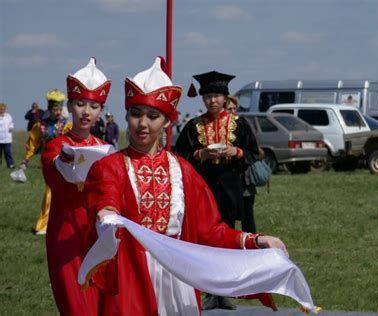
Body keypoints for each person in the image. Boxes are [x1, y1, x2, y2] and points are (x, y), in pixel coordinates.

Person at [82, 57, 286, 315]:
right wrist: (107, 213)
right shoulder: (110, 165)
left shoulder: (183, 171)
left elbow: (210, 232)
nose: (142, 124)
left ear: (167, 122)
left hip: (178, 280)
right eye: (135, 114)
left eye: (153, 116)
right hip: (130, 277)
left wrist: (256, 240)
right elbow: (105, 196)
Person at [175, 71, 260, 310]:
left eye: (216, 96)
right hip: (203, 188)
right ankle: (209, 291)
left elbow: (254, 153)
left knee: (227, 236)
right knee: (204, 239)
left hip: (231, 186)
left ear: (225, 98)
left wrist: (237, 152)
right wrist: (200, 154)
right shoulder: (193, 126)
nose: (212, 101)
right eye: (208, 97)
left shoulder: (240, 125)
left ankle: (225, 290)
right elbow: (179, 155)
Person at [41, 57, 112, 315]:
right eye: (80, 104)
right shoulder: (54, 147)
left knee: (102, 304)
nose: (86, 111)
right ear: (70, 105)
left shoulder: (106, 149)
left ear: (100, 111)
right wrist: (67, 159)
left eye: (93, 106)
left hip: (98, 235)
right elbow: (59, 172)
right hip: (66, 236)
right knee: (76, 305)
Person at [20, 89, 71, 235]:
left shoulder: (67, 125)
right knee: (50, 192)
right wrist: (25, 160)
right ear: (49, 109)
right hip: (49, 163)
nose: (58, 112)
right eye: (55, 109)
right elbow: (33, 144)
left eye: (60, 109)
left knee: (65, 193)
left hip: (65, 162)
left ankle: (62, 224)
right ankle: (42, 225)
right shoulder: (40, 126)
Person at [224, 95, 259, 233]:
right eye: (228, 109)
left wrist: (237, 152)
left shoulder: (243, 125)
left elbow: (253, 152)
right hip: (225, 182)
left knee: (248, 217)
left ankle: (252, 248)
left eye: (234, 109)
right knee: (227, 218)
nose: (232, 112)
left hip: (244, 178)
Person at [0, 103, 15, 169]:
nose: (2, 110)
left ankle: (10, 164)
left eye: (3, 109)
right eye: (1, 109)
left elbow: (11, 123)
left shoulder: (8, 116)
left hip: (7, 138)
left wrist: (11, 127)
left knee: (7, 152)